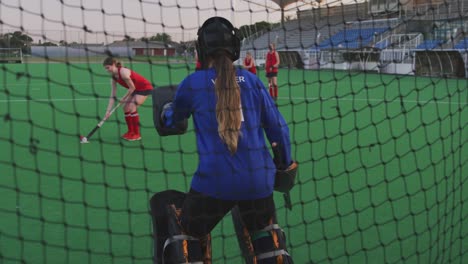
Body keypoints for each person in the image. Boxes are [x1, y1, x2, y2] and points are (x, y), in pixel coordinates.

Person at [159, 17, 295, 263]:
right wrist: (285, 164)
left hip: (213, 184)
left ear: (202, 48)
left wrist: (166, 110)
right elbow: (279, 129)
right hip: (259, 184)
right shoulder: (252, 81)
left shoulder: (192, 84)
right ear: (234, 46)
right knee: (263, 231)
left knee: (185, 230)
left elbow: (171, 120)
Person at [102, 57, 153, 141]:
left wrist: (123, 98)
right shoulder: (113, 78)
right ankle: (130, 132)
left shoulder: (123, 73)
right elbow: (113, 95)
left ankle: (137, 134)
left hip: (144, 88)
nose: (107, 70)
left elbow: (132, 88)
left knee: (132, 107)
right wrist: (108, 111)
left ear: (114, 65)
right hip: (135, 89)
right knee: (125, 108)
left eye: (108, 67)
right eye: (105, 68)